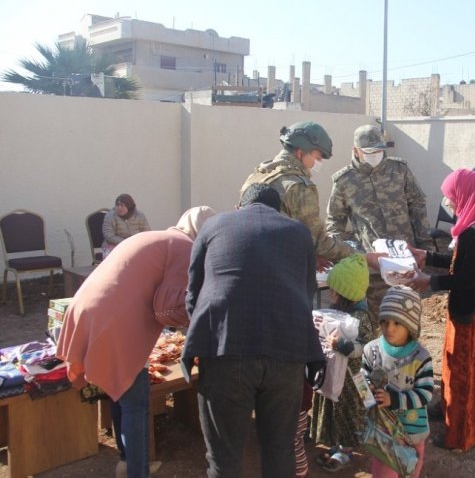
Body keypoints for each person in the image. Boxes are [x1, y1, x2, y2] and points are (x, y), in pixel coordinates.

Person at [56, 206, 216, 478]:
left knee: (119, 393)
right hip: (115, 322)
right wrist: (201, 315)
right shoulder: (184, 247)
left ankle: (126, 462)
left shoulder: (159, 237)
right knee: (136, 403)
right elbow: (165, 309)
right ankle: (137, 471)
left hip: (86, 309)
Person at [182, 184, 325, 478]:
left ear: (238, 207)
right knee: (280, 449)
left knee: (224, 457)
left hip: (225, 348)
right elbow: (307, 293)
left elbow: (193, 297)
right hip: (287, 352)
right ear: (278, 212)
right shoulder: (298, 232)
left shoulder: (213, 226)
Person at [408, 169, 475, 451]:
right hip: (469, 311)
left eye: (452, 197)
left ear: (466, 195)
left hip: (470, 316)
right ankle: (446, 408)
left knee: (464, 377)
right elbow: (464, 263)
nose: (450, 203)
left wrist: (429, 281)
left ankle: (459, 433)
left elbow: (466, 277)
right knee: (453, 367)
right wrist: (428, 256)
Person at [327, 124, 434, 327]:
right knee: (380, 323)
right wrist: (352, 258)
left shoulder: (400, 170)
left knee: (408, 320)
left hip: (407, 263)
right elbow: (334, 223)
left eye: (379, 150)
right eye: (369, 152)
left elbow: (418, 207)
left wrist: (425, 248)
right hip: (374, 270)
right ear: (355, 151)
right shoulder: (344, 181)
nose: (375, 155)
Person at [239, 121, 354, 266]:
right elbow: (319, 243)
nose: (319, 163)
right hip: (278, 271)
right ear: (300, 153)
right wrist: (360, 256)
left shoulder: (258, 175)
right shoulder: (299, 186)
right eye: (318, 158)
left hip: (247, 261)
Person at [361, 286, 433, 478]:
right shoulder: (372, 350)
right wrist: (367, 394)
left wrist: (394, 399)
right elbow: (363, 381)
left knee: (410, 469)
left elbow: (425, 394)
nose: (389, 328)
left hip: (412, 431)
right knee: (384, 472)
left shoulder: (420, 357)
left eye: (397, 323)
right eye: (384, 322)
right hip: (383, 433)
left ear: (410, 326)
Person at [311, 254, 374, 472]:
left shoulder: (361, 317)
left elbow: (365, 347)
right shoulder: (342, 312)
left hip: (354, 380)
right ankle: (336, 443)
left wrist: (343, 346)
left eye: (334, 290)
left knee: (350, 412)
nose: (330, 293)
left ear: (346, 293)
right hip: (339, 375)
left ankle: (346, 450)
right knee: (336, 409)